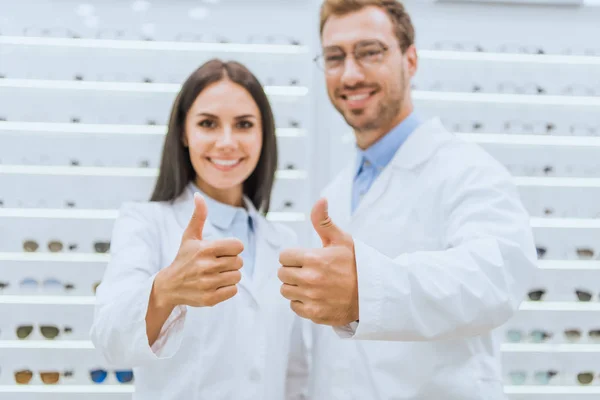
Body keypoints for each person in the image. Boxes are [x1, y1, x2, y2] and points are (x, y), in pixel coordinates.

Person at [277, 1, 538, 399]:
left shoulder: (469, 171)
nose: (349, 73)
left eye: (369, 52)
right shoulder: (334, 193)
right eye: (334, 58)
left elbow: (497, 277)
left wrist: (365, 290)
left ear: (410, 60)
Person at [90, 59, 308, 399]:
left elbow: (293, 371)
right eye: (208, 123)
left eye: (244, 125)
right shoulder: (146, 223)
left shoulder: (285, 243)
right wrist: (164, 291)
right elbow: (109, 342)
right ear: (183, 133)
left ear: (263, 135)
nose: (226, 142)